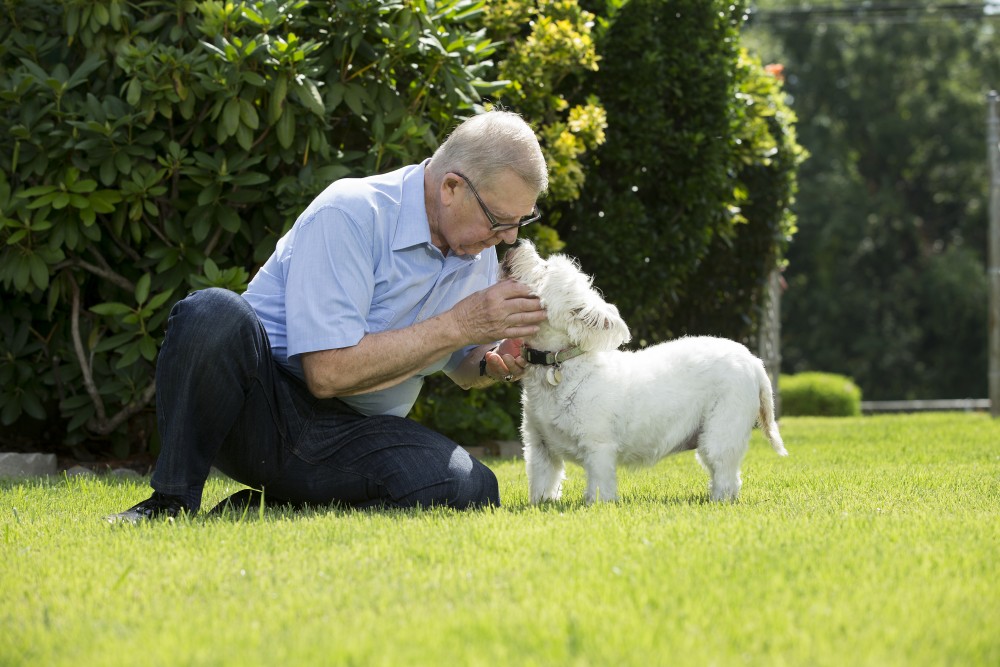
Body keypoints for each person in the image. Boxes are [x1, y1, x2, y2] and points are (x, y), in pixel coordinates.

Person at [106, 110, 548, 522]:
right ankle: (169, 502)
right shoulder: (352, 212)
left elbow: (461, 366)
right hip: (262, 409)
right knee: (212, 312)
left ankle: (276, 506)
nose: (507, 238)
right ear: (451, 188)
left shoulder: (477, 251)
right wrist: (462, 323)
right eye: (499, 220)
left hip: (356, 433)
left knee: (472, 488)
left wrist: (492, 361)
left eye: (519, 223)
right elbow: (327, 373)